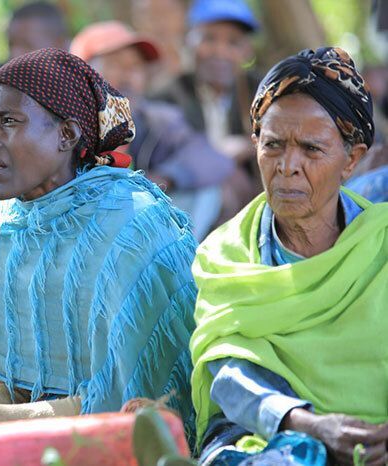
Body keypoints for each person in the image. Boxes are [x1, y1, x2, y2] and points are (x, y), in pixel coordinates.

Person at [0, 48, 198, 440]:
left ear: (66, 134)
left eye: (8, 121)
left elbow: (125, 404)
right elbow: (7, 381)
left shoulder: (129, 224)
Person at [190, 47, 388, 466]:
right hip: (269, 436)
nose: (287, 166)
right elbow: (229, 376)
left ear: (351, 159)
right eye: (274, 145)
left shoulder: (382, 242)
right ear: (256, 144)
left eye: (312, 150)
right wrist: (310, 426)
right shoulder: (225, 254)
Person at [70, 20, 235, 240]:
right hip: (82, 238)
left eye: (136, 66)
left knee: (212, 191)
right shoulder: (65, 129)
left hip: (141, 230)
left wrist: (163, 178)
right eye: (116, 64)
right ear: (83, 73)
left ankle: (175, 264)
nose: (129, 75)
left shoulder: (157, 118)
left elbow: (209, 157)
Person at [157, 0, 260, 217]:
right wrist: (221, 155)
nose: (220, 52)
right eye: (209, 38)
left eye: (233, 42)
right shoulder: (168, 96)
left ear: (246, 50)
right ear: (189, 41)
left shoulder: (260, 92)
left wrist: (247, 147)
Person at [0, 1, 69, 136]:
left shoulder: (79, 94)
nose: (15, 55)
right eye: (11, 45)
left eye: (26, 45)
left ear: (61, 45)